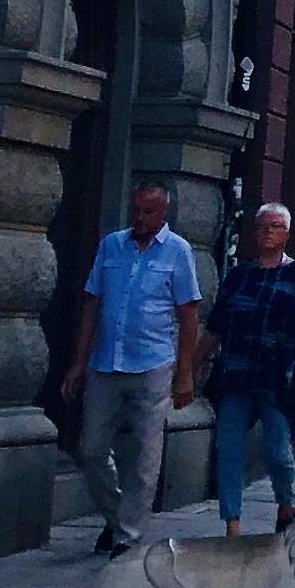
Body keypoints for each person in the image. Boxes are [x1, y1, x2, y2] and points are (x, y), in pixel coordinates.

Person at [59, 178, 203, 555]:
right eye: (135, 209)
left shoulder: (177, 251)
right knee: (90, 449)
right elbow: (92, 303)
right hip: (105, 362)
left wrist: (185, 373)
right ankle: (115, 516)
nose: (140, 217)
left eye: (148, 211)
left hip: (153, 364)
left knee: (144, 455)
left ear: (163, 213)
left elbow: (188, 314)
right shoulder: (111, 245)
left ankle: (128, 537)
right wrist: (79, 361)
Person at [204, 202, 295, 536]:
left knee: (279, 454)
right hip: (235, 374)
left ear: (287, 234)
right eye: (262, 226)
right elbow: (215, 326)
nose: (268, 231)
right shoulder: (238, 275)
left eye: (275, 226)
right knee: (227, 448)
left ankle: (285, 503)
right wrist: (188, 368)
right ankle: (232, 524)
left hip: (277, 379)